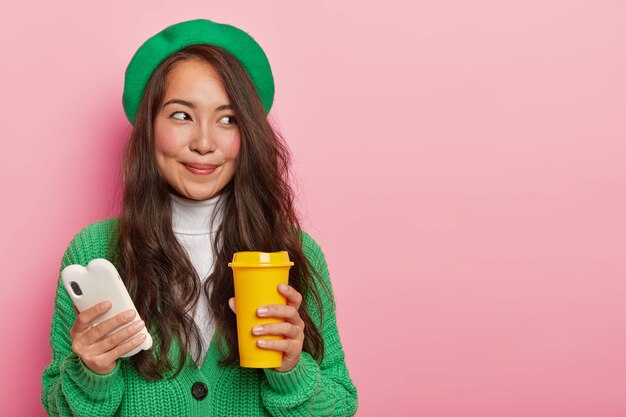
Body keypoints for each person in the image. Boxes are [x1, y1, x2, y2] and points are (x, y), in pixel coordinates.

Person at [41, 19, 358, 416]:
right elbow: (59, 409)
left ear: (249, 137)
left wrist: (290, 369)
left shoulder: (292, 251)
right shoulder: (93, 251)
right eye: (181, 116)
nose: (205, 143)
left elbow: (340, 406)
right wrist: (92, 370)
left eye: (228, 120)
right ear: (149, 128)